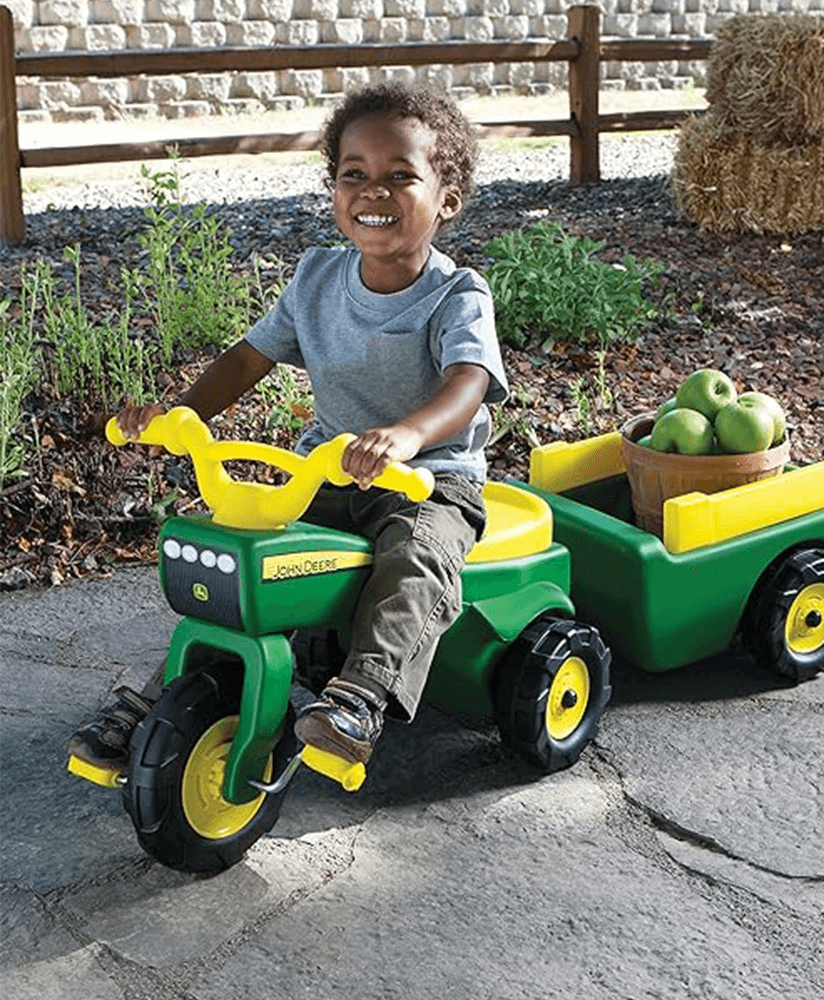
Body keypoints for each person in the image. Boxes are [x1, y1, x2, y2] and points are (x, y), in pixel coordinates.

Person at [67, 82, 508, 772]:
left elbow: (468, 385)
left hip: (428, 479)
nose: (373, 191)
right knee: (249, 566)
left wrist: (408, 436)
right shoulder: (317, 278)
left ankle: (359, 699)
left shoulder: (457, 295)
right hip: (325, 472)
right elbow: (248, 357)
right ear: (333, 188)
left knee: (416, 559)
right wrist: (179, 418)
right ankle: (167, 693)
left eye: (401, 176)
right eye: (353, 174)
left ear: (446, 199)